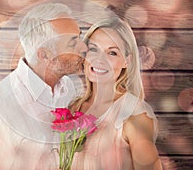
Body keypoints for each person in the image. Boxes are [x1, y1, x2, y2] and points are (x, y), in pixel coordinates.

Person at [0, 2, 87, 169]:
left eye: (80, 37)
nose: (84, 47)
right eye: (72, 43)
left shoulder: (69, 88)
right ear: (44, 55)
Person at [69, 17, 163, 169]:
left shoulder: (135, 115)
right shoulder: (73, 108)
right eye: (94, 49)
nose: (100, 59)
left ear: (127, 61)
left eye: (112, 53)